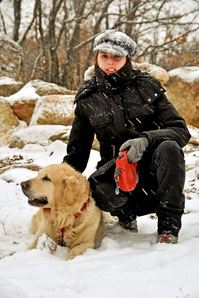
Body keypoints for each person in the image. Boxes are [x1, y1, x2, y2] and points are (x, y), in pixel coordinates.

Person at [63, 29, 191, 244]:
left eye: (116, 57)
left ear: (127, 58)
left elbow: (180, 130)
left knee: (169, 149)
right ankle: (125, 217)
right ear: (96, 57)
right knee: (100, 191)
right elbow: (78, 150)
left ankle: (168, 228)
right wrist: (58, 180)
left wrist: (146, 140)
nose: (110, 62)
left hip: (153, 173)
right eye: (104, 56)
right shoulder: (88, 97)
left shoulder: (147, 86)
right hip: (116, 173)